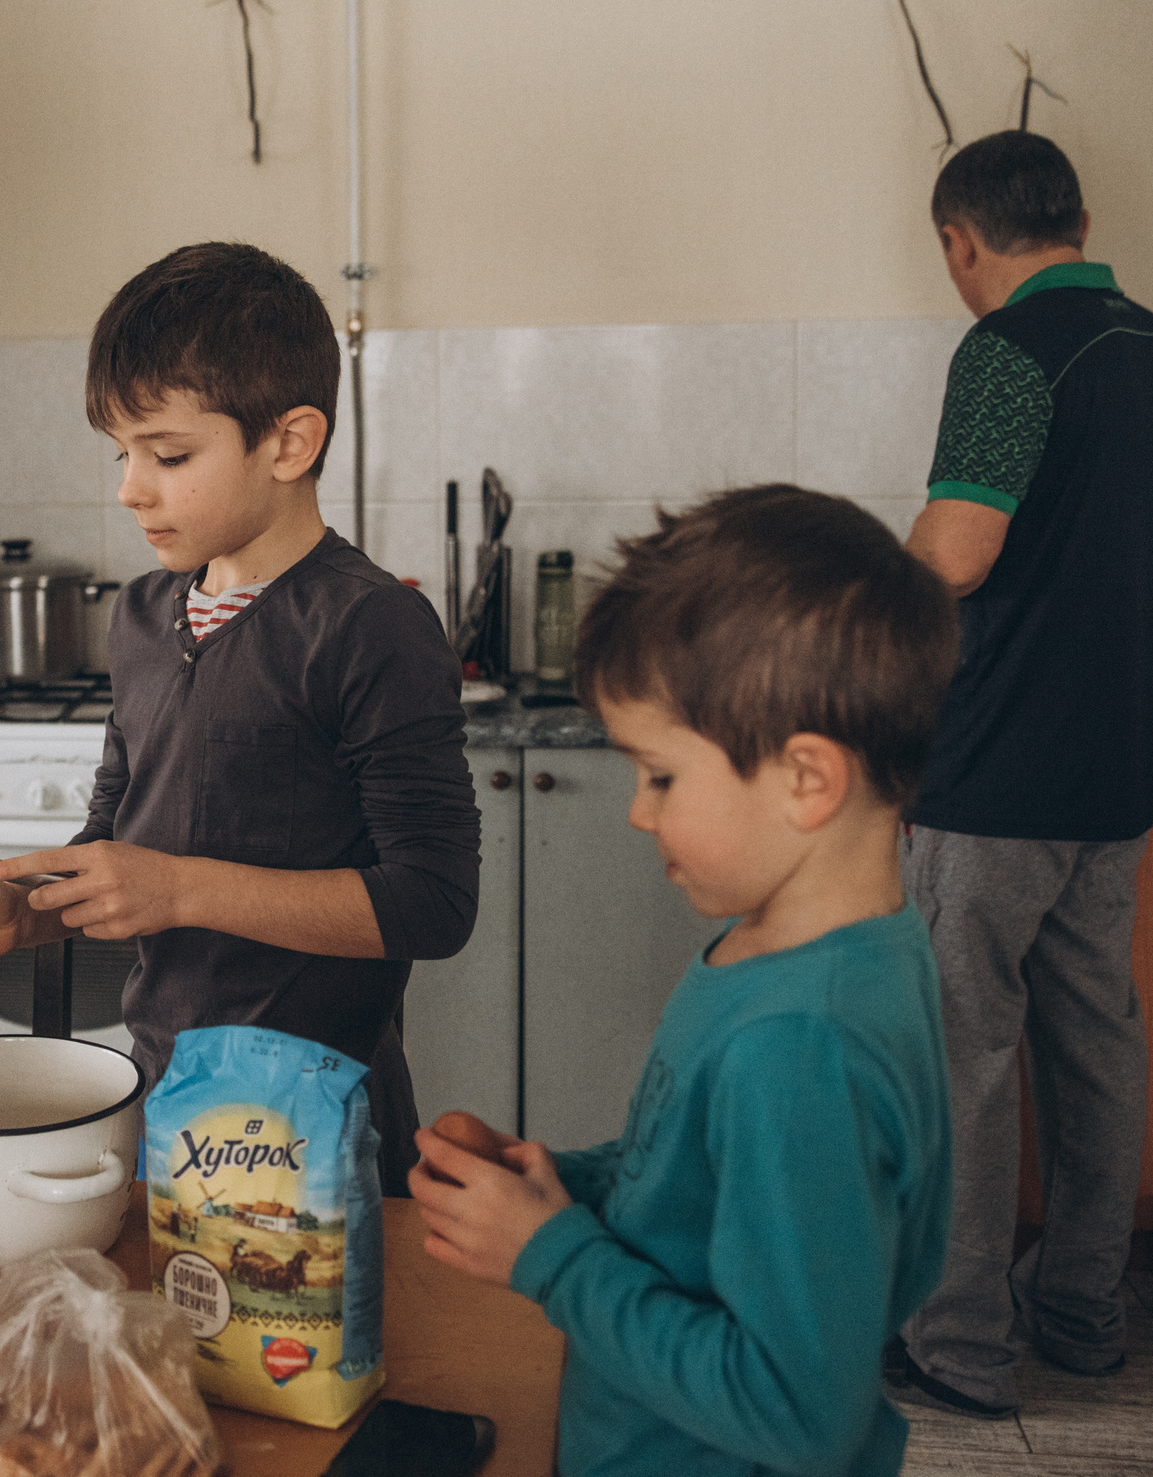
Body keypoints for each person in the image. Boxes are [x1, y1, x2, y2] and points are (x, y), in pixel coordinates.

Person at [0, 241, 481, 1190]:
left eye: (168, 454)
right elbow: (115, 844)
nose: (130, 486)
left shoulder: (373, 626)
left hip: (317, 1128)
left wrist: (180, 889)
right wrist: (25, 918)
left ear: (289, 443)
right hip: (166, 1103)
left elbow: (435, 902)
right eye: (122, 452)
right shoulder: (139, 617)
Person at [411, 485, 960, 1477]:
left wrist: (553, 1255)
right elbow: (700, 1184)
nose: (637, 811)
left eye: (659, 774)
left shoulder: (803, 1043)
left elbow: (799, 1412)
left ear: (807, 778)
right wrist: (558, 1186)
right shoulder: (813, 951)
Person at [889, 130, 1153, 1417]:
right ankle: (1079, 1314)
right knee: (1095, 1041)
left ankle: (956, 1343)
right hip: (1116, 765)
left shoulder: (1008, 350)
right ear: (1078, 216)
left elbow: (958, 551)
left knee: (962, 1048)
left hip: (997, 768)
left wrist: (872, 591)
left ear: (962, 243)